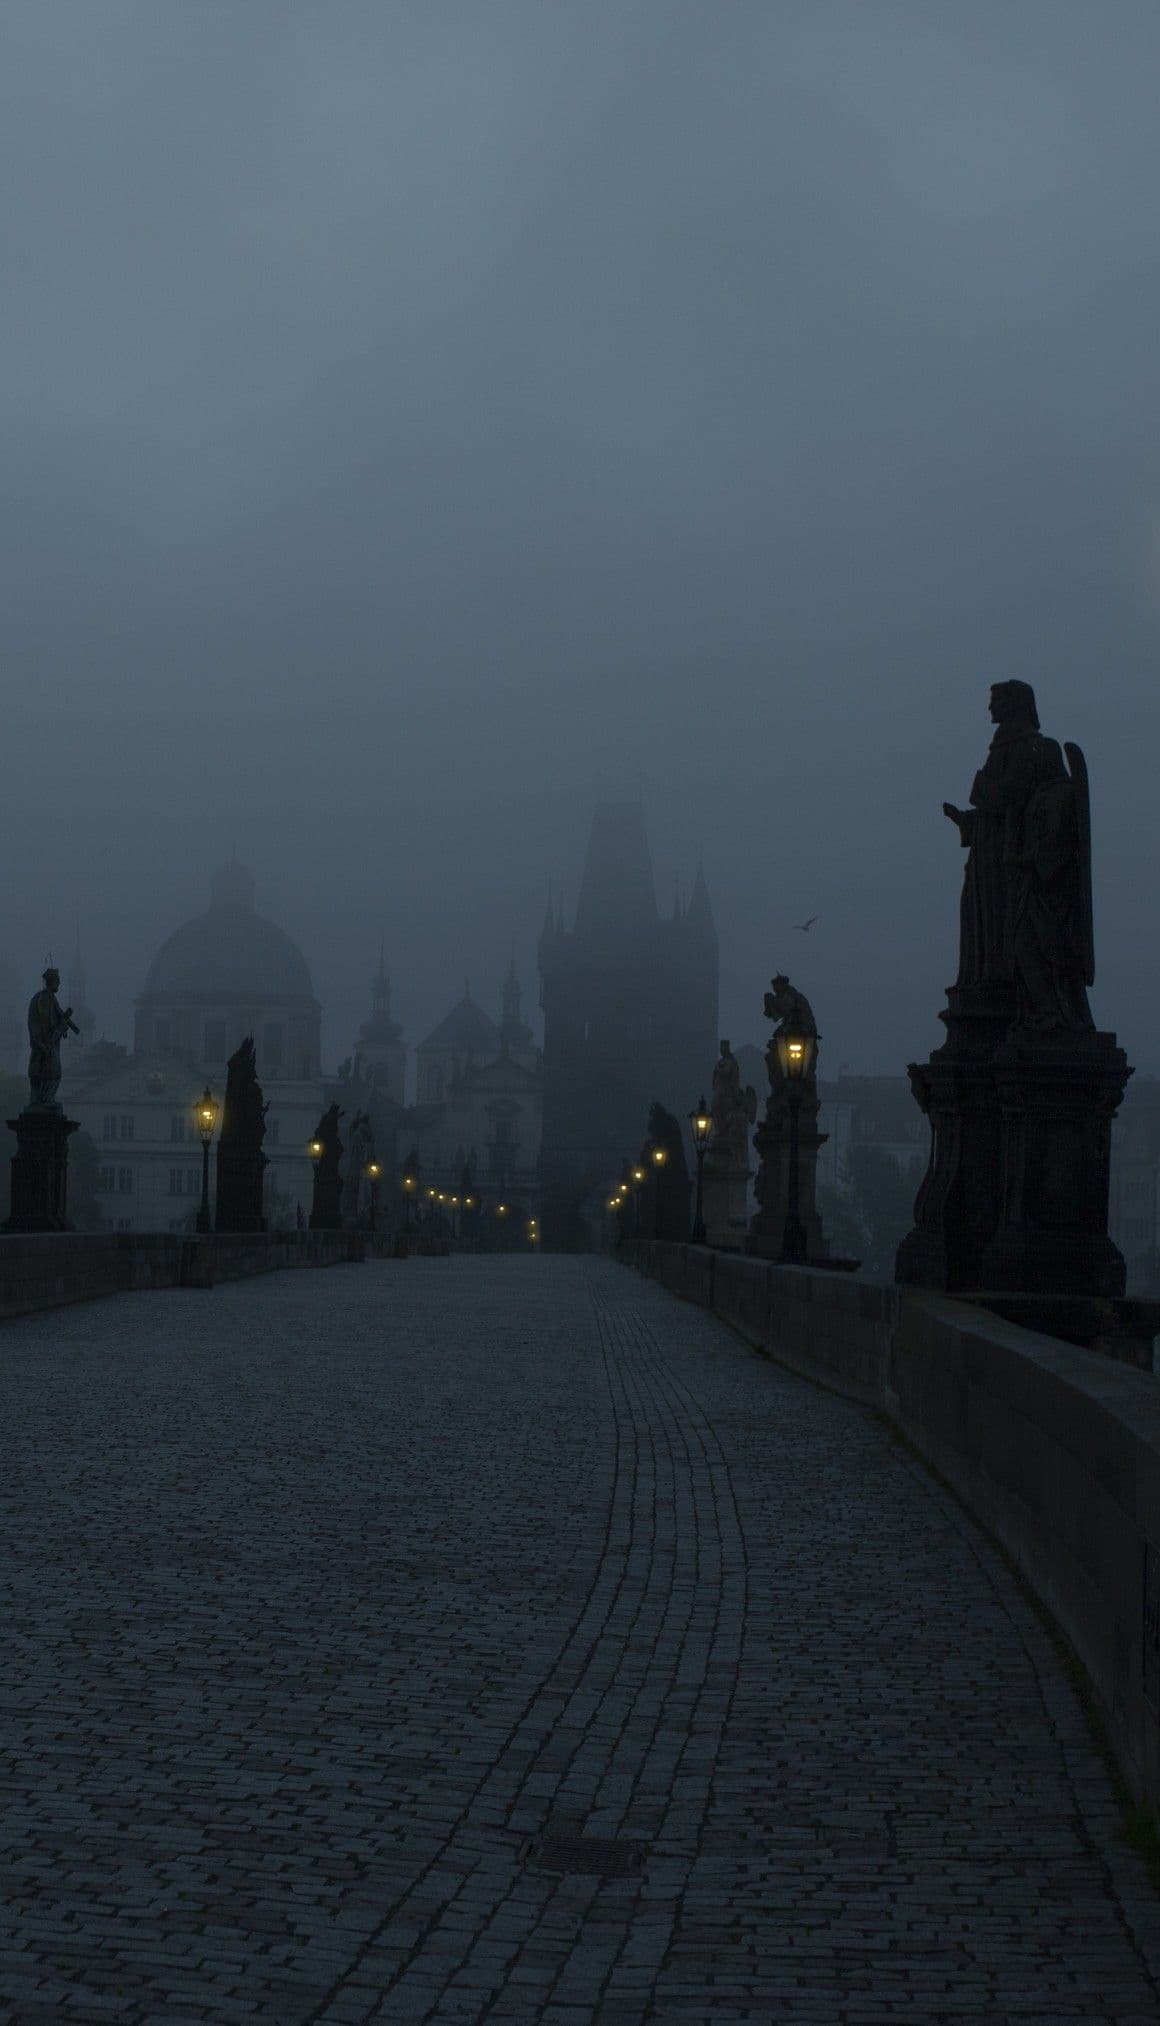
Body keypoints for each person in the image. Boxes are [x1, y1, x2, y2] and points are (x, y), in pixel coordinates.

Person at [943, 680, 1046, 990]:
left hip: (1005, 855)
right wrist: (967, 820)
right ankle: (981, 978)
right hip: (987, 851)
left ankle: (997, 980)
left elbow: (1008, 797)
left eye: (996, 700)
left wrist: (980, 790)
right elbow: (993, 804)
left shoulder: (1027, 747)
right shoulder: (1004, 746)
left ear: (1013, 704)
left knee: (997, 914)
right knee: (976, 913)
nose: (990, 707)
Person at [27, 966, 79, 1107]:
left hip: (48, 1044)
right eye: (58, 981)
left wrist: (62, 1026)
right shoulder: (42, 999)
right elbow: (42, 1023)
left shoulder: (50, 999)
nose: (60, 984)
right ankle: (44, 1100)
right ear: (53, 981)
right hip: (45, 1045)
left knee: (51, 1073)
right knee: (51, 1073)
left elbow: (57, 1018)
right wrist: (43, 1043)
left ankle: (44, 1099)